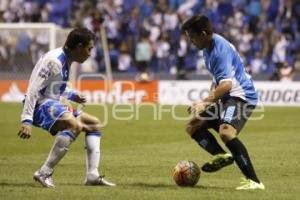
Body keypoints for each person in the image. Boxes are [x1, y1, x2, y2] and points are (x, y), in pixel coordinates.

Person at [17, 28, 115, 188]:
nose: (90, 53)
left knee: (93, 123)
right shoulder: (53, 60)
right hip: (39, 105)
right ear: (79, 47)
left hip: (51, 102)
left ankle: (92, 175)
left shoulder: (66, 60)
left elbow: (55, 87)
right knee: (74, 125)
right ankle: (44, 172)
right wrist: (26, 120)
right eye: (89, 48)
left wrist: (72, 95)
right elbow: (33, 90)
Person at [182, 14, 265, 190]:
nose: (191, 41)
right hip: (227, 97)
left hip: (241, 97)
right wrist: (210, 100)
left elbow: (226, 85)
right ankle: (222, 156)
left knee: (226, 132)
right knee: (193, 126)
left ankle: (255, 182)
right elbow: (217, 80)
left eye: (192, 37)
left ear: (203, 34)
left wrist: (205, 102)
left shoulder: (219, 50)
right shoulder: (207, 50)